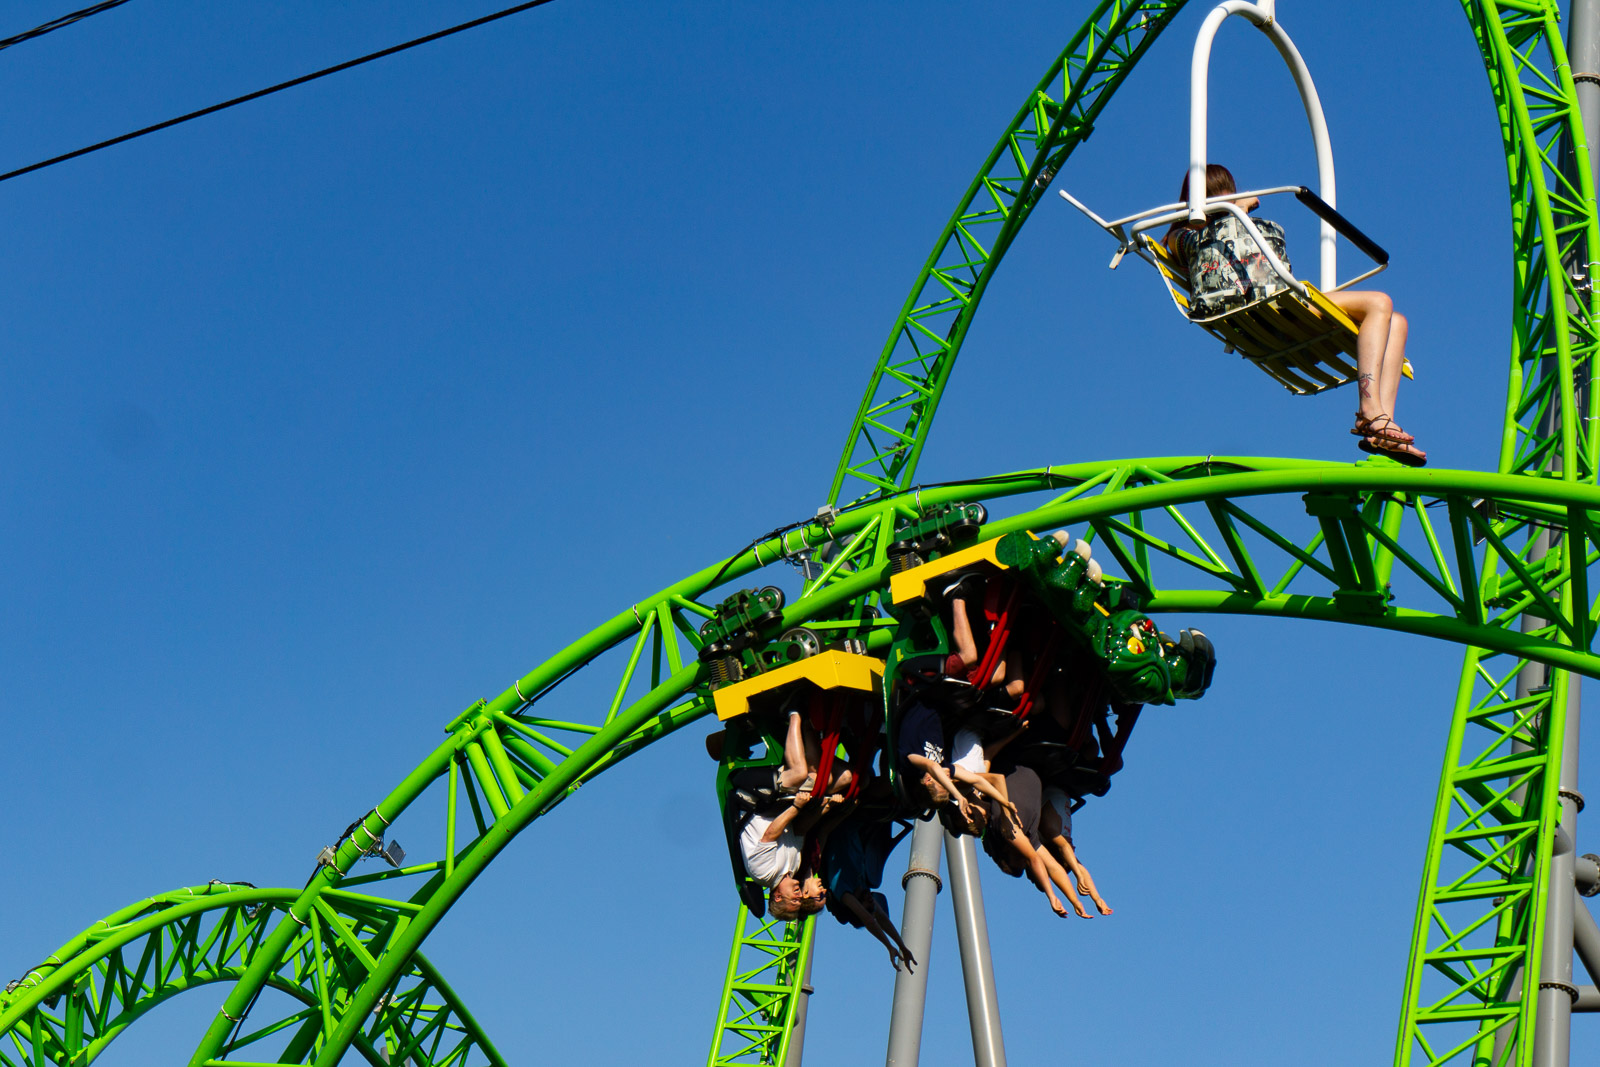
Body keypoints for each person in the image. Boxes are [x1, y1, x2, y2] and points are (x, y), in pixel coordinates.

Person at [1164, 163, 1424, 466]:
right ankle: (1369, 410)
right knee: (1379, 302)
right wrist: (1238, 211)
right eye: (1222, 193)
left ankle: (1383, 425)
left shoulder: (1234, 222)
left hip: (1282, 303)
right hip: (1264, 309)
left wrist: (1239, 212)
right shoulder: (1181, 236)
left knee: (1398, 322)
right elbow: (1217, 244)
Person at [979, 762, 1084, 918]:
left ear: (1010, 851)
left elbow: (1034, 858)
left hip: (1017, 762)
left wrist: (1051, 896)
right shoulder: (1030, 838)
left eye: (1021, 858)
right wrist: (1075, 901)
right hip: (1035, 768)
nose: (1026, 858)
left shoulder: (1007, 831)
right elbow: (1054, 868)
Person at [823, 816, 917, 971]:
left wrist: (888, 946)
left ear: (857, 907)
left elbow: (870, 920)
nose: (871, 899)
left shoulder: (843, 890)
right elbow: (882, 918)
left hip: (840, 822)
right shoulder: (862, 884)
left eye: (868, 904)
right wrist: (902, 946)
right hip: (858, 822)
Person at [1040, 786, 1113, 917]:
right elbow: (1080, 868)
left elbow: (1079, 868)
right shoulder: (1052, 837)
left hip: (1058, 794)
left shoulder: (1048, 835)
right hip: (1055, 792)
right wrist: (1096, 897)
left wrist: (1096, 898)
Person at [896, 698, 970, 823]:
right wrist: (1004, 804)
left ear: (928, 780)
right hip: (941, 707)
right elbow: (976, 780)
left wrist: (958, 796)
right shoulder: (942, 765)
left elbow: (932, 766)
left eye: (944, 782)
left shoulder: (911, 764)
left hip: (926, 701)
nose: (948, 780)